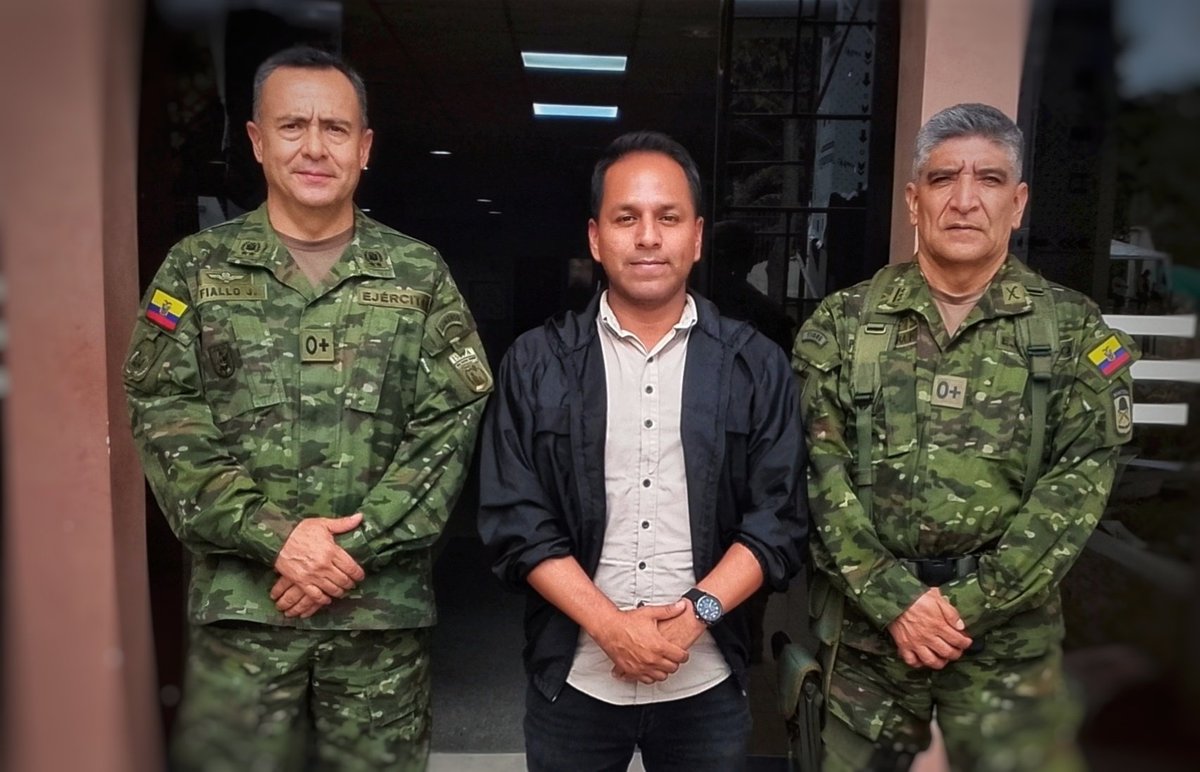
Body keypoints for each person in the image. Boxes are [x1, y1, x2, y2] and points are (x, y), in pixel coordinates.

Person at [124, 46, 491, 772]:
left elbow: (449, 425)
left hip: (377, 626)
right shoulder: (195, 272)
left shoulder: (418, 275)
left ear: (366, 148)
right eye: (293, 126)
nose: (316, 147)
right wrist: (276, 537)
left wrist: (350, 549)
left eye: (336, 128)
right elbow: (165, 413)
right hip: (243, 623)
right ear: (258, 142)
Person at [792, 103, 1138, 771]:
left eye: (989, 179)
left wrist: (965, 607)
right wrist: (897, 601)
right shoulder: (841, 324)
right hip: (869, 650)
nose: (965, 200)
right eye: (944, 178)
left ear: (1019, 201)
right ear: (915, 200)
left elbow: (1079, 484)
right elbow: (818, 475)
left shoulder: (1074, 333)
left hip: (1009, 652)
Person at [477, 131, 808, 771]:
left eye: (668, 217)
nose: (649, 237)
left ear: (697, 236)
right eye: (627, 218)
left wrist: (691, 619)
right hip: (574, 679)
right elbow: (516, 521)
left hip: (705, 678)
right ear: (597, 238)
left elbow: (779, 519)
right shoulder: (537, 362)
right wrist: (609, 627)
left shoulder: (755, 365)